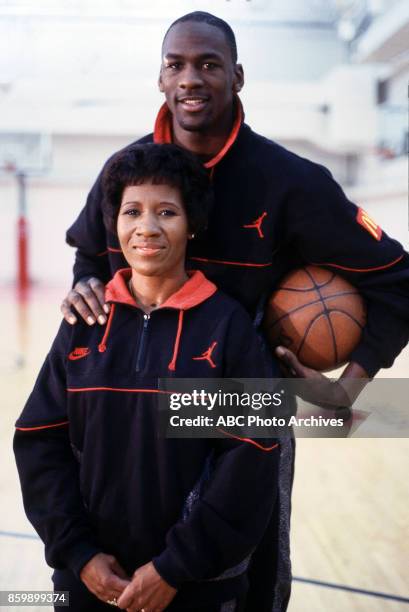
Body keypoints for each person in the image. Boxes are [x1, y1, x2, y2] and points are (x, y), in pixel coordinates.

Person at [60, 11, 409, 612]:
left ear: (238, 77)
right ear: (161, 78)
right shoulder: (124, 173)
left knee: (242, 575)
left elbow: (399, 281)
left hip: (241, 404)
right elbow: (89, 255)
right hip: (129, 403)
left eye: (209, 64)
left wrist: (346, 391)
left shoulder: (290, 182)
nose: (191, 79)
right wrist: (86, 282)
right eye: (177, 65)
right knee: (117, 565)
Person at [14, 143, 282, 612]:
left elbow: (252, 455)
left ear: (193, 224)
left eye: (167, 212)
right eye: (132, 211)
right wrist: (80, 554)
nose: (147, 227)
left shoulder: (228, 326)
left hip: (197, 588)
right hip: (88, 583)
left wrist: (174, 568)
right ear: (114, 225)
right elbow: (38, 440)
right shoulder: (83, 323)